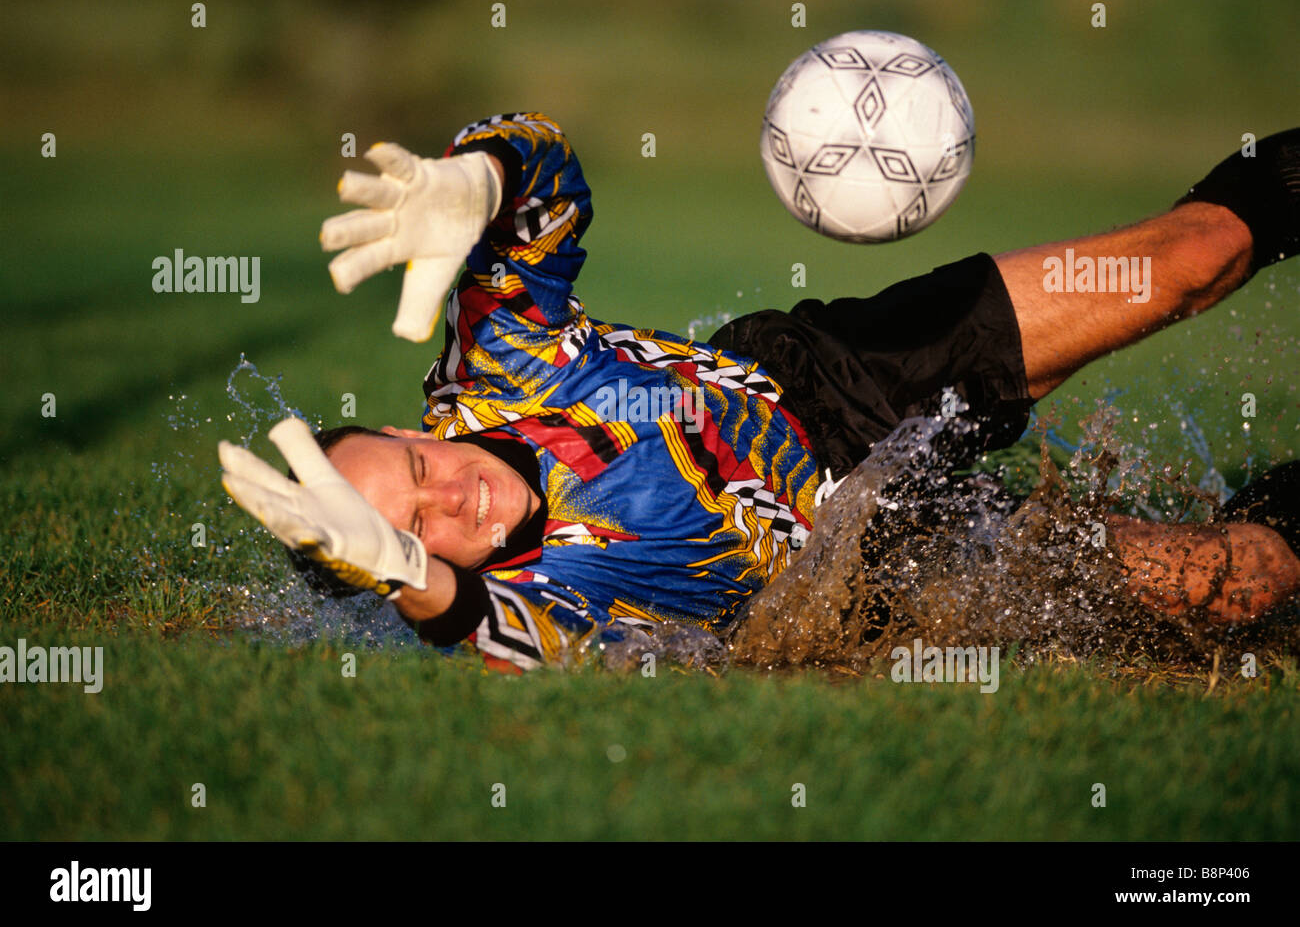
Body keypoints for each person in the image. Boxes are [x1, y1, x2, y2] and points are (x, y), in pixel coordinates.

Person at [218, 112, 1300, 672]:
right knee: (1242, 581)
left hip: (832, 376)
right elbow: (489, 636)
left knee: (1190, 256)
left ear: (419, 427)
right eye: (417, 533)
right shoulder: (536, 605)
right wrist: (421, 585)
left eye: (417, 469)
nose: (448, 499)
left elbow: (547, 181)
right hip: (878, 560)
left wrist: (475, 181)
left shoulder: (496, 374)